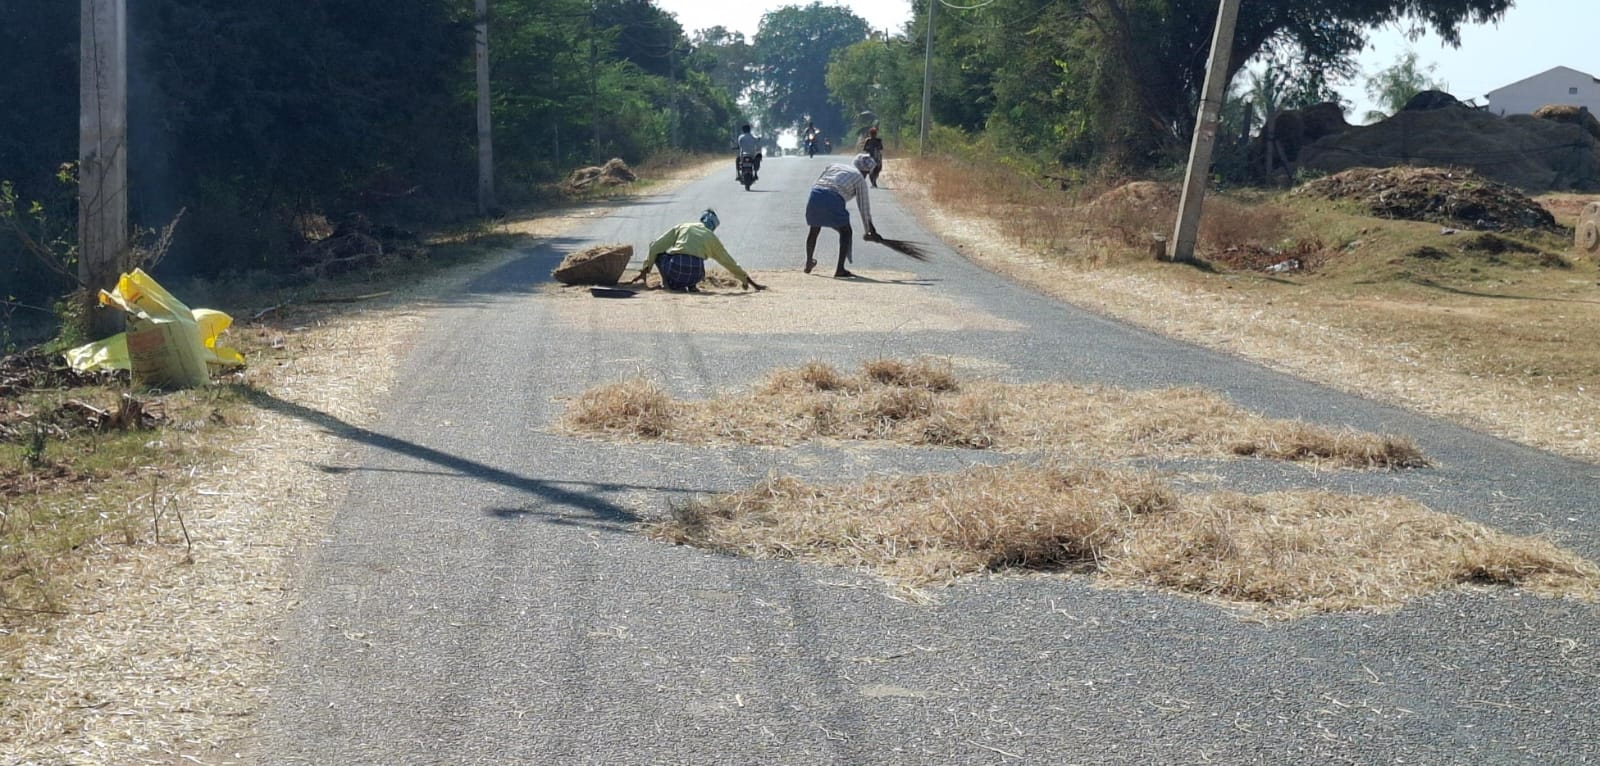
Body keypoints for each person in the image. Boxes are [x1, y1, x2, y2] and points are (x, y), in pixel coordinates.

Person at [629, 209, 765, 292]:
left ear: (701, 219)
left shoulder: (684, 226)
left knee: (658, 251)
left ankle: (667, 283)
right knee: (698, 260)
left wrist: (645, 270)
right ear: (713, 227)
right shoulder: (711, 237)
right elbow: (729, 262)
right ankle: (692, 286)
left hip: (675, 271)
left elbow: (655, 247)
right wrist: (748, 281)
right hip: (695, 275)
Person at [803, 153, 880, 278]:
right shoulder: (859, 178)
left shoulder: (834, 166)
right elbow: (864, 208)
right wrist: (870, 231)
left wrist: (869, 231)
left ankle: (808, 262)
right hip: (834, 197)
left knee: (814, 229)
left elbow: (820, 180)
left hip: (815, 194)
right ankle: (840, 269)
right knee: (846, 232)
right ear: (866, 172)